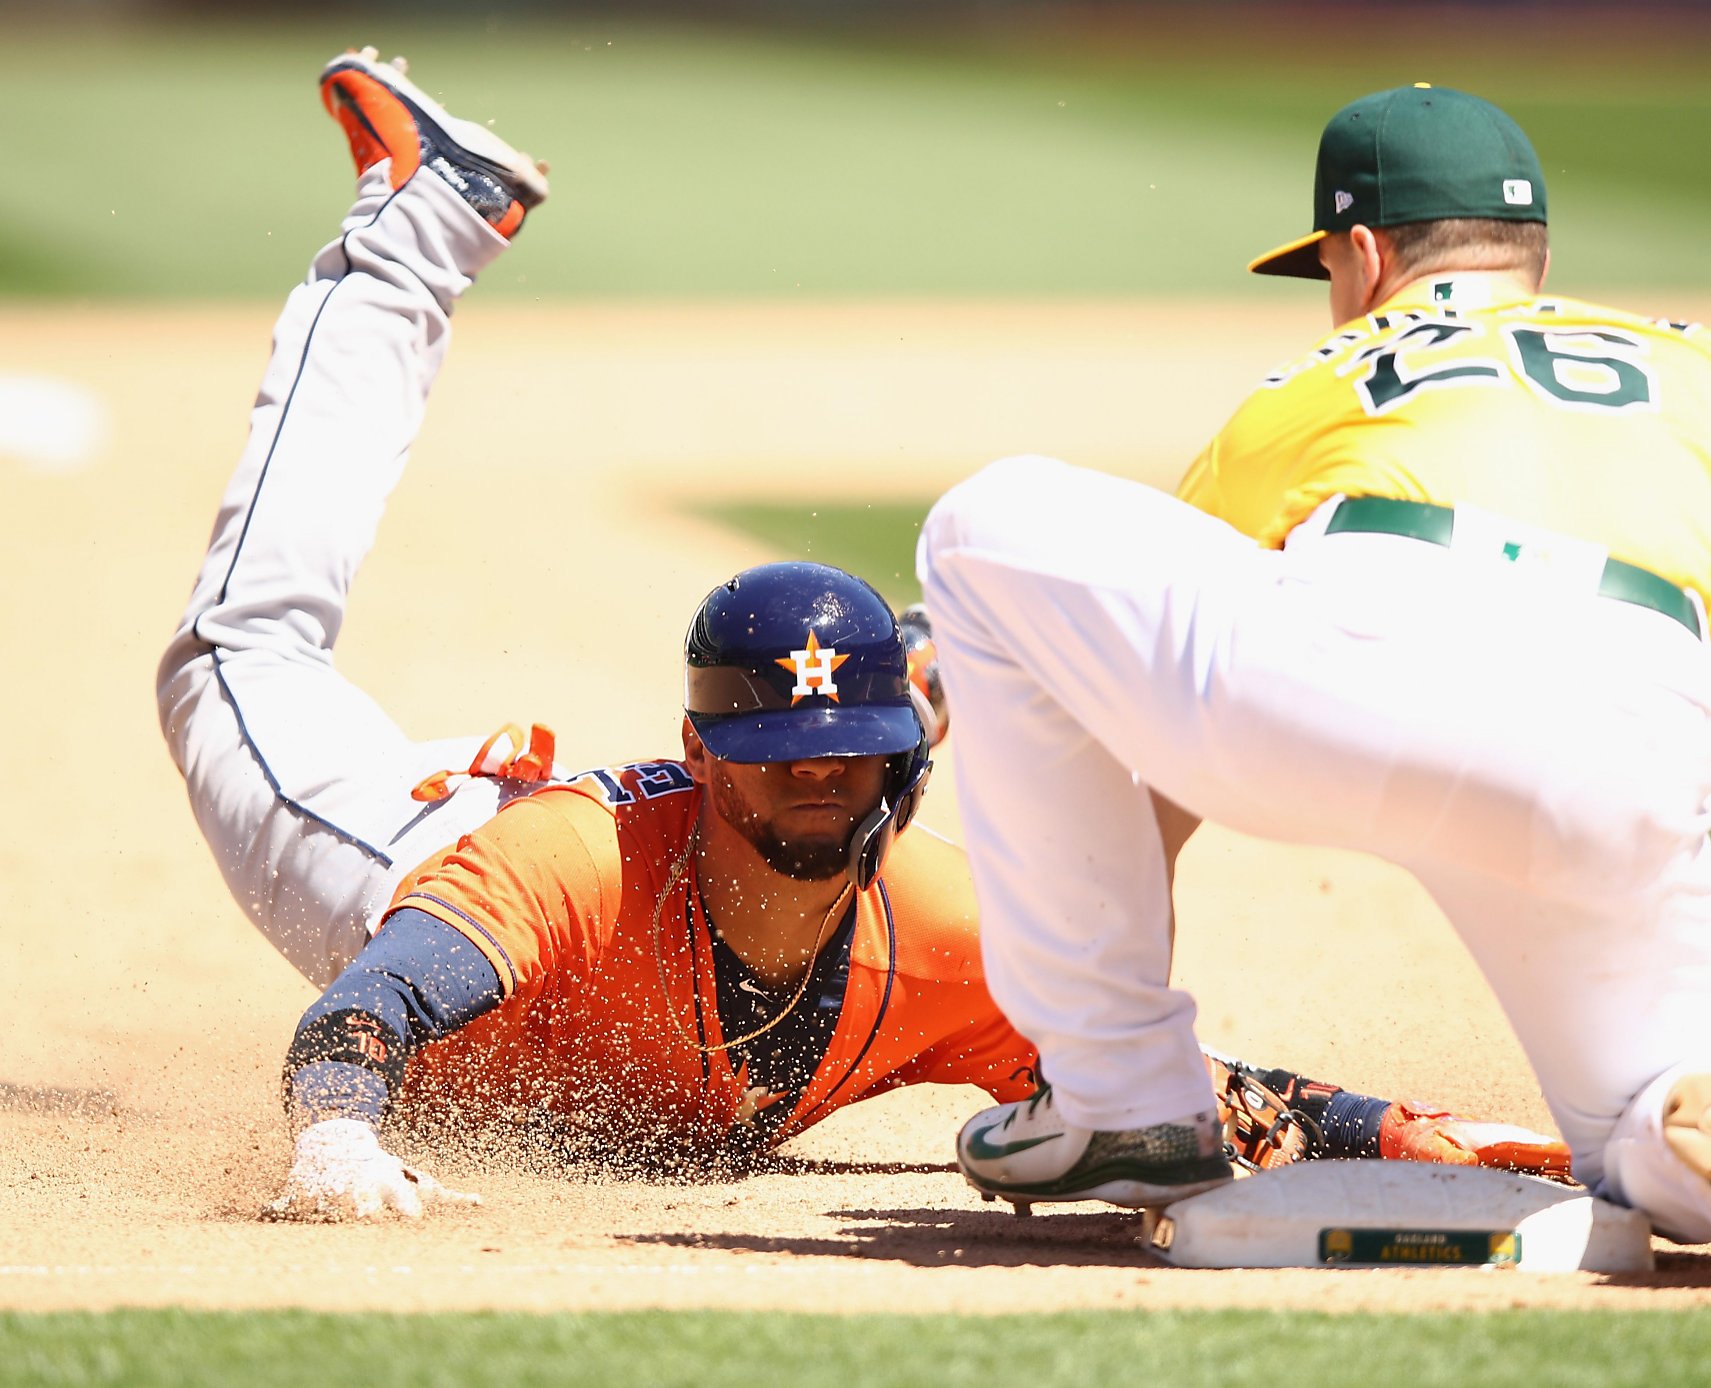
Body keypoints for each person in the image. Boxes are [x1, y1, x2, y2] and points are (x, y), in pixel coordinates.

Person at [155, 54, 1570, 1219]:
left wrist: (1419, 1132)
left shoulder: (939, 932)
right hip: (409, 858)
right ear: (707, 753)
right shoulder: (562, 871)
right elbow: (367, 1014)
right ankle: (419, 228)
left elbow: (1184, 1083)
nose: (821, 778)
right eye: (782, 756)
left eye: (850, 751)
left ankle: (893, 679)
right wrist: (335, 1135)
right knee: (233, 660)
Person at [918, 84, 1711, 1287]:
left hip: (1372, 643)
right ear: (1530, 252)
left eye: (1329, 269)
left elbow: (1136, 754)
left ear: (1365, 253)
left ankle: (1117, 1102)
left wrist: (1107, 1024)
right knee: (1641, 1117)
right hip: (1634, 731)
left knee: (979, 531)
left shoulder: (1320, 377)